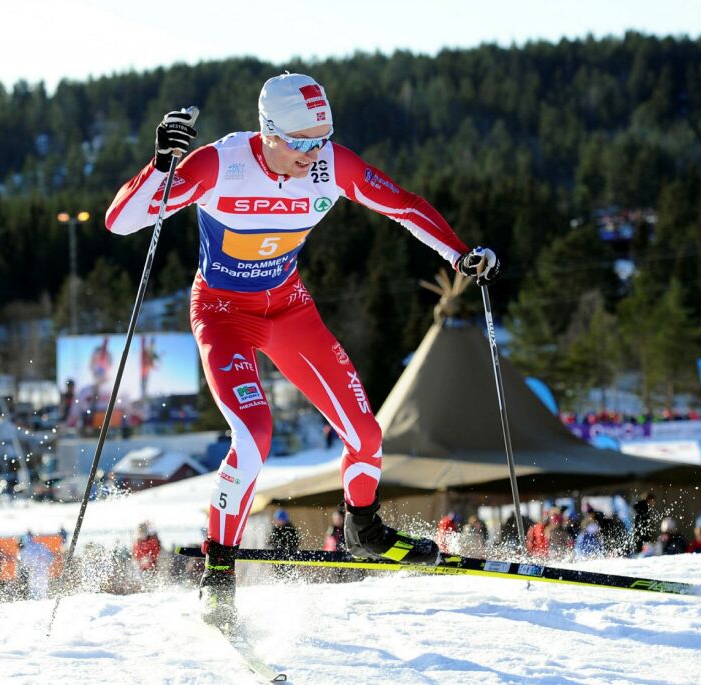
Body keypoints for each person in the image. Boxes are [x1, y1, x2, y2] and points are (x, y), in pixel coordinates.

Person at [106, 72, 499, 628]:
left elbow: (404, 206)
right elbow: (121, 222)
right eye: (300, 143)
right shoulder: (222, 164)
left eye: (322, 140)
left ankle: (364, 529)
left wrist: (460, 255)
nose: (313, 154)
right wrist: (161, 167)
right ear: (267, 132)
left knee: (365, 435)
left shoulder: (328, 164)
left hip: (289, 309)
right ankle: (220, 571)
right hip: (224, 314)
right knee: (254, 436)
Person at [17, 532, 55, 600]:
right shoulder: (40, 546)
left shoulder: (24, 550)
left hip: (33, 573)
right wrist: (44, 562)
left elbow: (24, 564)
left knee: (33, 591)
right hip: (43, 573)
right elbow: (51, 557)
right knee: (43, 591)